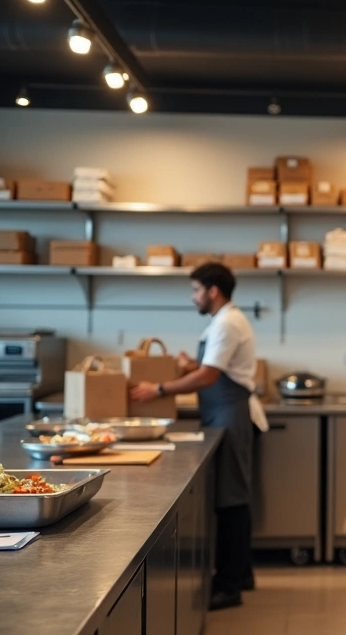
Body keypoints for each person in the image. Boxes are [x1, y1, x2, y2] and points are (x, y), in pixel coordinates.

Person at [130, 262, 267, 611]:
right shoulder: (223, 322)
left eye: (195, 290)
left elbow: (208, 377)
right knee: (233, 499)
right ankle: (242, 575)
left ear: (212, 291)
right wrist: (192, 364)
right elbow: (211, 368)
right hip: (223, 415)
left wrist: (158, 387)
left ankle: (229, 586)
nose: (193, 298)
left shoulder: (227, 323)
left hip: (232, 415)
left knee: (232, 502)